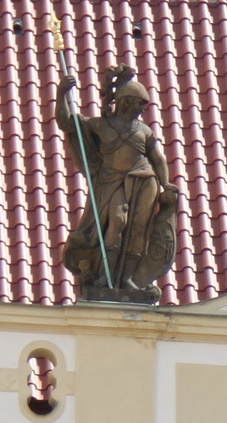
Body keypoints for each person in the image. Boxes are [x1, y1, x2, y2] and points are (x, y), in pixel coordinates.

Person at [57, 67, 176, 297]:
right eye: (139, 104)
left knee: (138, 228)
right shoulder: (100, 125)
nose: (142, 109)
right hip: (112, 181)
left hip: (145, 181)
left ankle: (127, 278)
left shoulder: (144, 131)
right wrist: (62, 93)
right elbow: (66, 123)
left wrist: (166, 183)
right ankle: (106, 276)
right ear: (125, 102)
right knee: (118, 222)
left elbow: (158, 159)